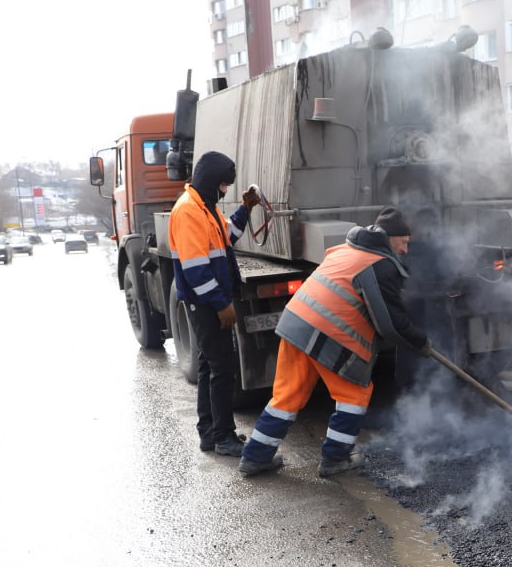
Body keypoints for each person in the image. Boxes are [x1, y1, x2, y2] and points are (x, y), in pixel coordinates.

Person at [237, 206, 431, 477]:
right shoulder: (379, 265)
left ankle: (255, 457)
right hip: (324, 332)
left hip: (295, 323)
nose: (406, 249)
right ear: (391, 237)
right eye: (404, 242)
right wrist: (421, 344)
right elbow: (391, 323)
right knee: (354, 395)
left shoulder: (347, 250)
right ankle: (335, 459)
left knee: (287, 395)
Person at [167, 151, 259, 456]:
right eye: (223, 186)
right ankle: (223, 436)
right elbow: (196, 270)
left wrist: (245, 209)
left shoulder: (205, 207)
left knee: (209, 366)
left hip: (206, 302)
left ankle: (209, 433)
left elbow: (227, 236)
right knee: (223, 368)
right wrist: (221, 305)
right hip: (205, 303)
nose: (225, 191)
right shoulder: (189, 212)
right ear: (210, 182)